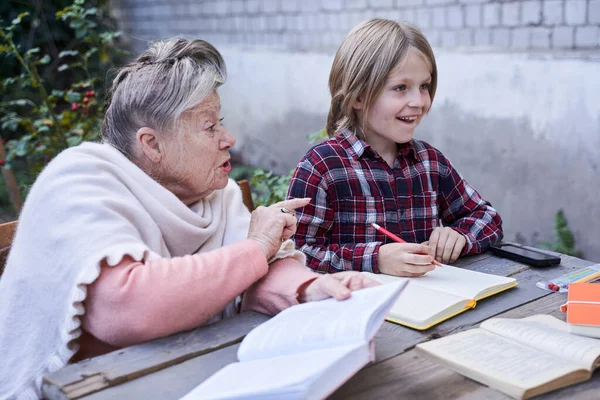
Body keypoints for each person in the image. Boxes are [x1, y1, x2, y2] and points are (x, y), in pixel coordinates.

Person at [0, 38, 377, 399]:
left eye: (221, 122)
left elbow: (252, 276)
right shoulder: (79, 180)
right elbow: (126, 309)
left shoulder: (214, 195)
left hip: (180, 376)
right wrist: (257, 246)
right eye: (210, 126)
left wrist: (309, 289)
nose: (228, 138)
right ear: (152, 144)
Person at [287, 19, 503, 276]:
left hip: (432, 307)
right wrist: (374, 259)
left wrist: (459, 236)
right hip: (357, 310)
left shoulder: (429, 162)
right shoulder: (321, 167)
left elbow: (486, 217)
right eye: (400, 88)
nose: (419, 101)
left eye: (424, 86)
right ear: (358, 96)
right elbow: (297, 253)